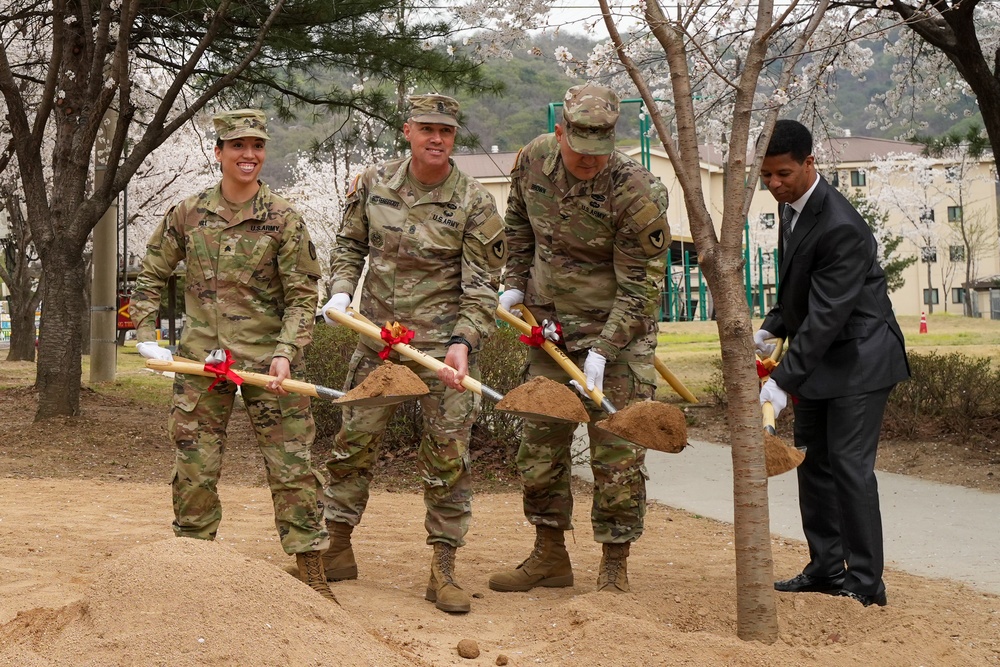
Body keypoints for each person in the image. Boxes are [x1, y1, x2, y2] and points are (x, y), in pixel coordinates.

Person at [130, 109, 337, 603]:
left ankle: (312, 571)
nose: (249, 155)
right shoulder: (187, 213)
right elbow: (151, 274)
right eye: (238, 146)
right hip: (202, 363)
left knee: (292, 467)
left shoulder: (283, 218)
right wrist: (144, 332)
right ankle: (193, 568)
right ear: (219, 152)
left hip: (270, 365)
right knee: (194, 465)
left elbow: (303, 296)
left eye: (257, 146)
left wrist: (287, 352)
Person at [320, 94, 507, 614]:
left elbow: (482, 288)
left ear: (453, 136)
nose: (437, 138)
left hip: (441, 350)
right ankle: (336, 549)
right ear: (408, 131)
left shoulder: (474, 202)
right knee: (351, 444)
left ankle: (442, 569)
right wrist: (340, 290)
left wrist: (463, 343)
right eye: (427, 128)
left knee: (448, 457)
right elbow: (348, 245)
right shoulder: (375, 182)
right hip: (377, 342)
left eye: (446, 131)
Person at [489, 83, 671, 594]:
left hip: (620, 337)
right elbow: (519, 221)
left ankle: (614, 564)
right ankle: (549, 556)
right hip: (552, 334)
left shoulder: (639, 192)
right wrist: (514, 280)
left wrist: (604, 350)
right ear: (559, 131)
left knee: (618, 458)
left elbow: (641, 287)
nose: (588, 162)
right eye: (578, 150)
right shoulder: (532, 161)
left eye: (599, 153)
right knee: (540, 449)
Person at [755, 119, 910, 607]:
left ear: (809, 164)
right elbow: (800, 290)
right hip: (822, 358)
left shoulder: (841, 225)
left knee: (848, 467)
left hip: (861, 359)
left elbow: (826, 315)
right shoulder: (791, 209)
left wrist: (781, 380)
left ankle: (865, 584)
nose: (774, 184)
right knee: (812, 464)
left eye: (783, 174)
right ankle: (825, 568)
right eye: (766, 176)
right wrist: (771, 326)